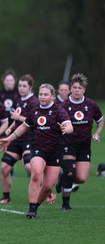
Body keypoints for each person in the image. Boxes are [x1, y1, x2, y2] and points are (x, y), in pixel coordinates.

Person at [0, 84, 73, 219]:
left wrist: (65, 129)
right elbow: (24, 127)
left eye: (46, 94)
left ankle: (36, 205)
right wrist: (9, 138)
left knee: (48, 186)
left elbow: (69, 127)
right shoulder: (35, 111)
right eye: (41, 94)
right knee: (36, 174)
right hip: (38, 148)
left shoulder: (59, 111)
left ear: (52, 97)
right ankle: (32, 209)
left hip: (55, 151)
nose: (42, 97)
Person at [57, 73, 103, 210]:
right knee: (70, 172)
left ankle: (63, 178)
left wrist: (97, 133)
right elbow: (56, 123)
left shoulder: (91, 105)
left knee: (81, 178)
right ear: (71, 89)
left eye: (80, 88)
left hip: (84, 146)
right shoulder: (64, 105)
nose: (77, 90)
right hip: (67, 144)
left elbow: (100, 120)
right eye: (75, 87)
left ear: (84, 90)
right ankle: (65, 205)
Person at [0, 74, 38, 203]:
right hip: (16, 140)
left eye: (24, 86)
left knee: (29, 167)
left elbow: (35, 122)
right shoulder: (20, 100)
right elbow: (17, 120)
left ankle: (45, 190)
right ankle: (6, 197)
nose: (21, 88)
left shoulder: (34, 102)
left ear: (30, 87)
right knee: (4, 168)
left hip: (29, 140)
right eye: (20, 86)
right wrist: (10, 128)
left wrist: (18, 118)